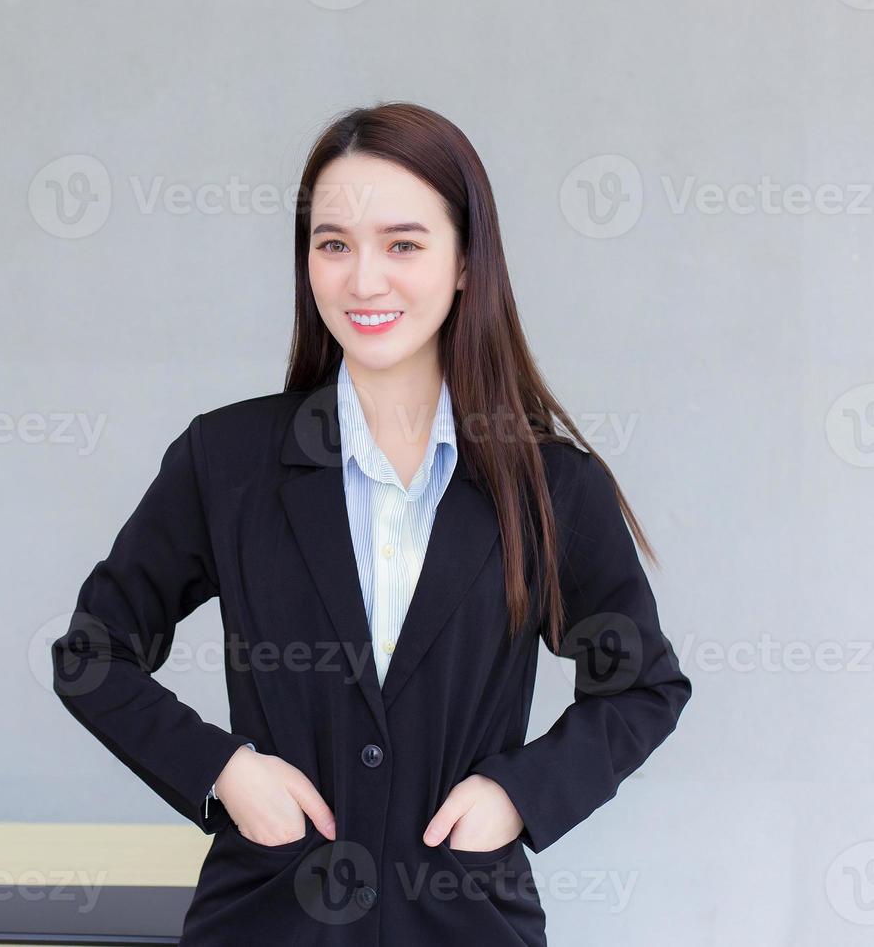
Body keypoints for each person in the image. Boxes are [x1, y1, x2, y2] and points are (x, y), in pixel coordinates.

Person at [51, 101, 692, 946]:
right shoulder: (227, 461)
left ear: (467, 261)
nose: (363, 281)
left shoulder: (549, 485)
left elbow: (643, 685)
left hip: (466, 923)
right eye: (333, 245)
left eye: (403, 244)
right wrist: (223, 772)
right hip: (268, 920)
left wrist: (518, 795)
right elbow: (93, 655)